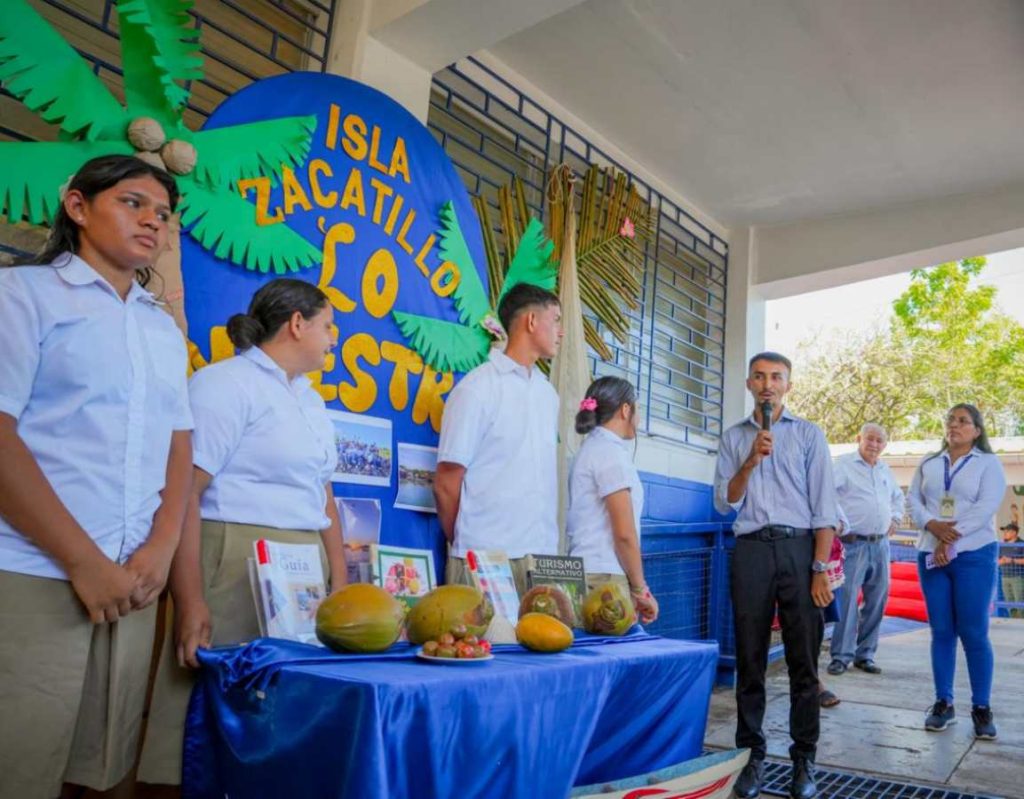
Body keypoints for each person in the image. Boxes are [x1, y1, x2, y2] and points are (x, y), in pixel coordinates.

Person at [0, 155, 193, 799]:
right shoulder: (21, 296)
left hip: (132, 584)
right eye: (132, 203)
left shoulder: (160, 329)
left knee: (103, 776)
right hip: (34, 572)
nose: (152, 222)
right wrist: (84, 562)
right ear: (78, 207)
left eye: (162, 214)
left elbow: (178, 445)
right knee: (17, 768)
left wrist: (161, 552)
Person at [137, 278, 347, 787]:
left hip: (302, 569)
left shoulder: (312, 402)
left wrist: (340, 580)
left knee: (278, 714)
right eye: (328, 325)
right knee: (204, 712)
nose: (334, 338)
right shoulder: (224, 385)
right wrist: (189, 600)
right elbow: (184, 491)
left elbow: (322, 497)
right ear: (297, 324)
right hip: (232, 558)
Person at [713, 352, 837, 799]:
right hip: (750, 551)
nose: (768, 384)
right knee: (750, 659)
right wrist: (750, 460)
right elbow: (725, 501)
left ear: (788, 384)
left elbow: (825, 508)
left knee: (804, 662)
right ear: (748, 384)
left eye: (776, 377)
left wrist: (819, 568)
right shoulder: (733, 438)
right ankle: (751, 758)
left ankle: (804, 760)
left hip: (799, 549)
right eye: (760, 377)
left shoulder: (808, 435)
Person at [434, 282, 562, 595]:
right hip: (486, 559)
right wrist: (470, 539)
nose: (561, 331)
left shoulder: (548, 394)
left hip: (542, 558)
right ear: (531, 321)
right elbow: (446, 482)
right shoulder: (477, 389)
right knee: (485, 645)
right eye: (556, 320)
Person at [908, 403, 1005, 740]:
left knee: (974, 632)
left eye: (963, 421)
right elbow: (913, 499)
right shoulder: (930, 462)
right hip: (930, 552)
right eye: (950, 419)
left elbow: (985, 507)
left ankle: (981, 707)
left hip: (973, 554)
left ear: (977, 430)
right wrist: (930, 524)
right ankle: (943, 703)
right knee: (942, 631)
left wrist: (950, 541)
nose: (955, 425)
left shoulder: (988, 463)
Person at [566, 376, 658, 623]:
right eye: (637, 409)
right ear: (626, 410)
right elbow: (624, 534)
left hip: (584, 572)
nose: (638, 419)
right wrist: (641, 589)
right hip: (604, 579)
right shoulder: (611, 455)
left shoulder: (589, 450)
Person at [826, 423, 904, 676]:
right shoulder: (843, 465)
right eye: (870, 439)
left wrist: (896, 518)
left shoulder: (884, 468)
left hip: (881, 545)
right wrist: (837, 523)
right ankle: (840, 656)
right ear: (859, 438)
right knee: (847, 602)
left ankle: (866, 654)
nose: (874, 445)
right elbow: (826, 495)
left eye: (880, 441)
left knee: (877, 601)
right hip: (853, 543)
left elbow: (896, 498)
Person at [997, 522, 1023, 618]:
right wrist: (1001, 561)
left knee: (1019, 601)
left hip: (1018, 577)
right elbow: (997, 561)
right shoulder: (1003, 544)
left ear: (1014, 533)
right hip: (1004, 577)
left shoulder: (1021, 543)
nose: (1004, 533)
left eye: (1007, 531)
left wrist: (1011, 560)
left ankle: (1021, 623)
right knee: (1009, 603)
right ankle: (1014, 620)